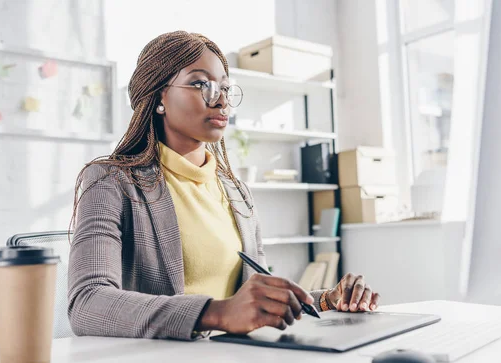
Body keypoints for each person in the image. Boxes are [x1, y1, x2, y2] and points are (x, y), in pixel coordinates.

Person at [68, 31, 380, 340]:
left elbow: (250, 303)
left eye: (226, 88)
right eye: (200, 83)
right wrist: (217, 313)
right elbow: (87, 302)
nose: (221, 100)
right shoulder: (112, 182)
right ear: (159, 96)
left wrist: (326, 300)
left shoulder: (237, 193)